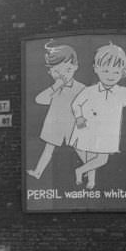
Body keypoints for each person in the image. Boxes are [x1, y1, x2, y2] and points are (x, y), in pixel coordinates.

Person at [69, 43, 126, 189]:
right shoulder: (90, 91)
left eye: (116, 72)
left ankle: (80, 171)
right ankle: (91, 181)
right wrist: (79, 117)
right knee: (90, 157)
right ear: (96, 69)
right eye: (106, 71)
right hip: (87, 129)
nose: (110, 76)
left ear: (122, 72)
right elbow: (76, 104)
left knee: (101, 159)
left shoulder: (121, 92)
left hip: (107, 134)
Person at [27, 42, 85, 179]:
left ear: (75, 67)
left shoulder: (81, 87)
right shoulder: (55, 89)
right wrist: (56, 86)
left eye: (67, 70)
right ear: (50, 72)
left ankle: (90, 169)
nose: (62, 75)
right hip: (55, 124)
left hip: (72, 124)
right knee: (48, 148)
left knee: (81, 149)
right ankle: (38, 172)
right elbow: (39, 100)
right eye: (56, 72)